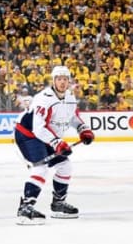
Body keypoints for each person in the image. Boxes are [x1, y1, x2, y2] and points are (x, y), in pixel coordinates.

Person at [13, 66, 94, 225]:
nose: (62, 82)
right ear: (54, 80)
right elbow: (38, 128)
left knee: (65, 166)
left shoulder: (70, 98)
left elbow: (73, 118)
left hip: (46, 136)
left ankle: (58, 204)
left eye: (65, 79)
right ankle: (26, 207)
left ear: (69, 81)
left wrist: (83, 129)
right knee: (40, 168)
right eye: (59, 79)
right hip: (28, 135)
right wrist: (57, 143)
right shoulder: (44, 98)